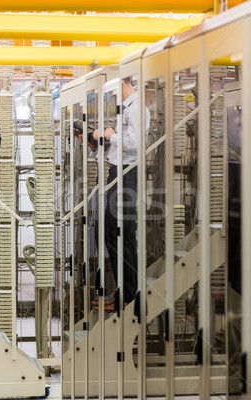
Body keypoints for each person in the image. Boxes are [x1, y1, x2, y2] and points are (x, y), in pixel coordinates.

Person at [81, 77, 150, 312]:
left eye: (112, 91)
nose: (111, 96)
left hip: (127, 176)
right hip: (117, 175)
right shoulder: (127, 109)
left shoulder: (138, 107)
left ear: (125, 82)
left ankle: (129, 295)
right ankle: (122, 292)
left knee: (122, 234)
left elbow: (134, 144)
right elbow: (119, 148)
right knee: (110, 232)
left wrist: (110, 135)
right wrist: (96, 143)